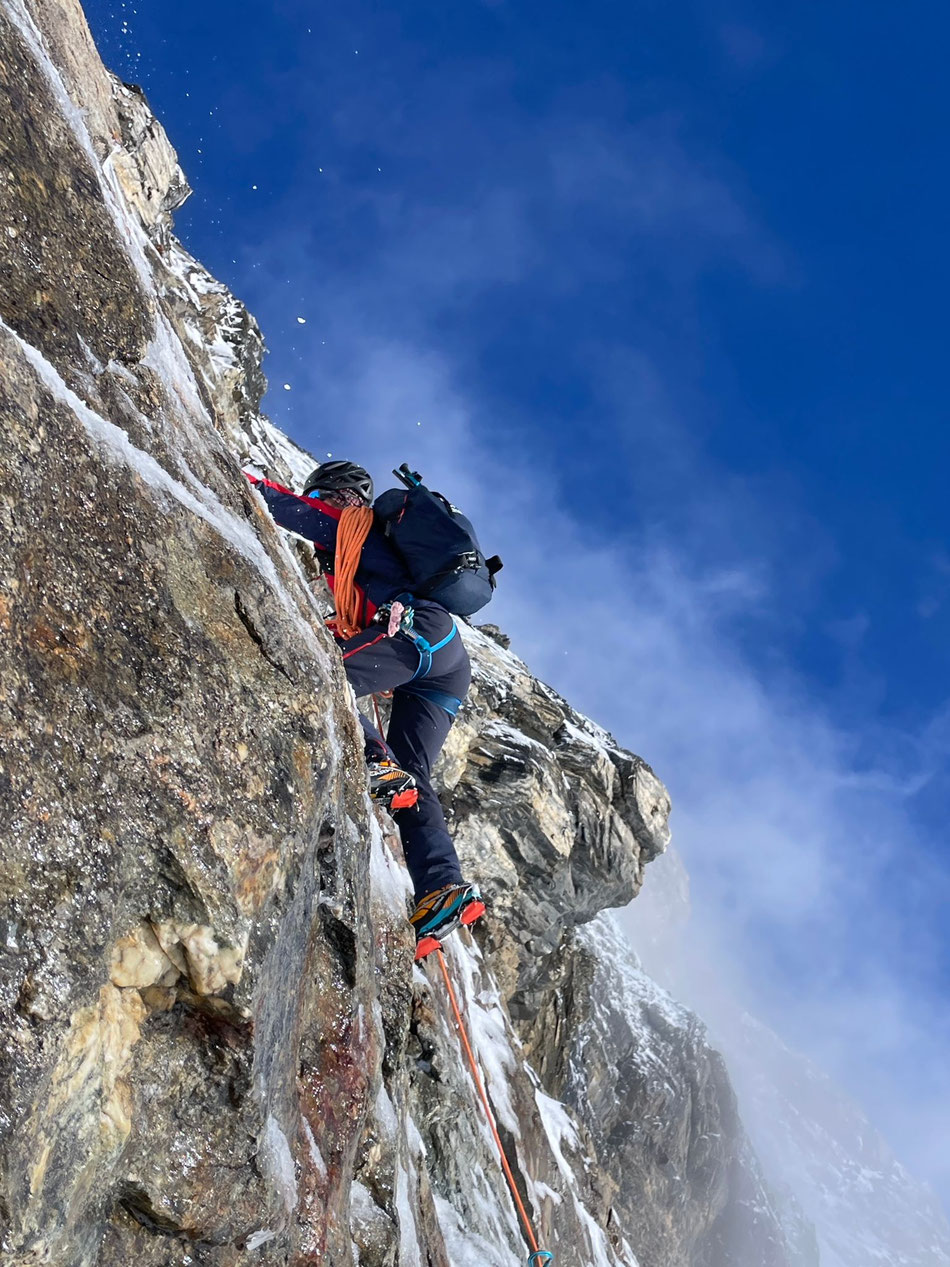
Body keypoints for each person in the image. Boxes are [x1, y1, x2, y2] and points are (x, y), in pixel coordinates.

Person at [245, 460, 482, 946]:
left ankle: (377, 763)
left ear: (341, 495)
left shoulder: (350, 524)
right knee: (415, 771)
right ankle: (441, 885)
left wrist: (234, 473)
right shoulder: (372, 545)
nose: (322, 507)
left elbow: (283, 507)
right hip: (446, 658)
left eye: (325, 496)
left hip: (415, 632)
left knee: (326, 676)